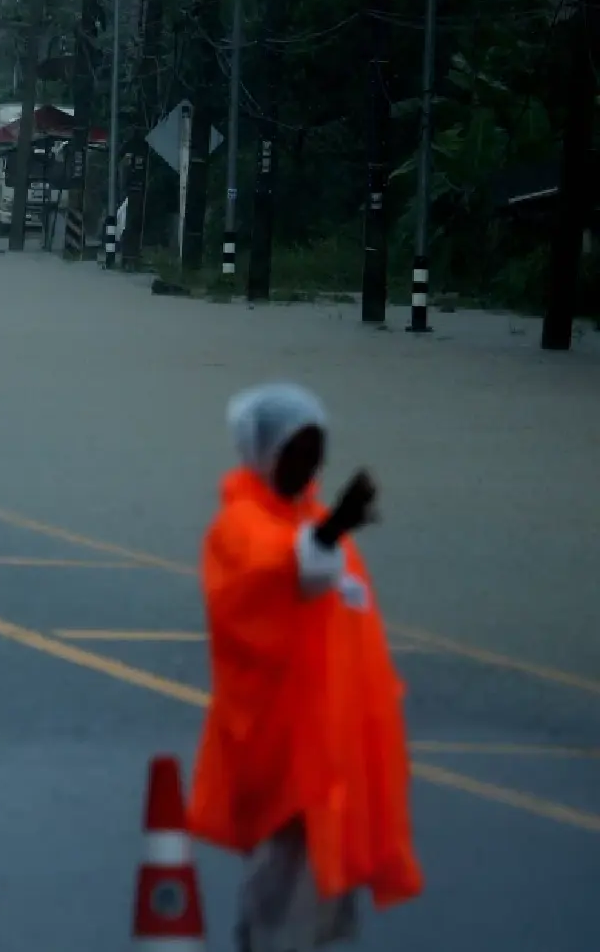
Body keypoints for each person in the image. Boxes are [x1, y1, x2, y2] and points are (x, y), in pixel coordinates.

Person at [189, 383, 423, 952]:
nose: (311, 462)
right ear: (266, 452)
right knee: (284, 900)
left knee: (313, 906)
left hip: (327, 751)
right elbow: (290, 571)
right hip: (281, 753)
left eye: (317, 448)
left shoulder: (308, 517)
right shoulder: (241, 526)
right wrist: (333, 528)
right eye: (297, 449)